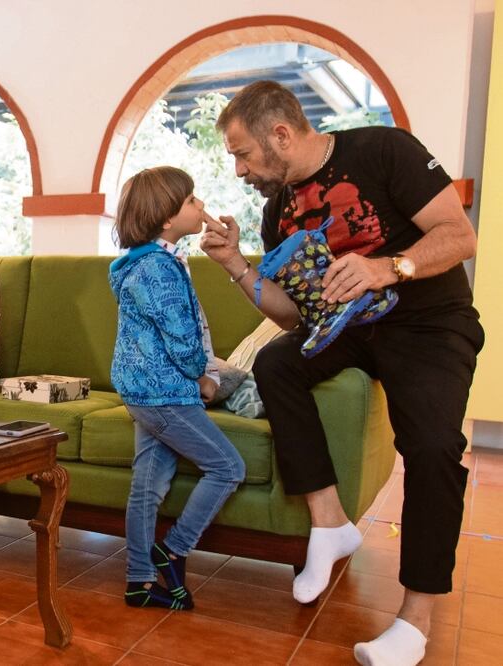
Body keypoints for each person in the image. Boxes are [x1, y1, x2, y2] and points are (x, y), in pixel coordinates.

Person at [201, 81, 482, 665]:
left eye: (242, 153)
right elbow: (291, 313)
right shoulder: (277, 210)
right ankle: (329, 523)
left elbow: (460, 236)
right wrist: (235, 265)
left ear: (280, 134)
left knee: (432, 448)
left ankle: (415, 618)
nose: (238, 170)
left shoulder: (384, 150)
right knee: (279, 360)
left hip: (429, 323)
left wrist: (388, 268)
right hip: (347, 329)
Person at [109, 167, 245, 610]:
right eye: (191, 201)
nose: (200, 206)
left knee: (146, 487)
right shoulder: (158, 270)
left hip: (145, 391)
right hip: (165, 393)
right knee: (227, 467)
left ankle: (138, 581)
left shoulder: (148, 261)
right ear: (167, 217)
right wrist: (205, 378)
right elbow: (184, 340)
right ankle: (173, 551)